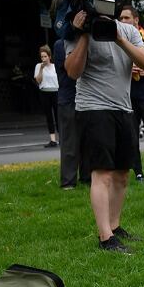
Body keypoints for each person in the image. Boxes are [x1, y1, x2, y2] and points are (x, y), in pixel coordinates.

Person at [64, 0, 144, 252]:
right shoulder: (77, 29)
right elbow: (72, 72)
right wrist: (86, 35)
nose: (113, 3)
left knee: (122, 173)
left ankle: (115, 226)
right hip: (93, 108)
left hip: (123, 108)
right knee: (101, 172)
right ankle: (105, 238)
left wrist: (118, 37)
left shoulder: (127, 29)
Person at [117, 5, 144, 182]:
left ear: (136, 20)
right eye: (121, 18)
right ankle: (138, 173)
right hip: (127, 96)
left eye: (127, 18)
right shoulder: (119, 38)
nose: (123, 21)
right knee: (131, 138)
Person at [52, 35, 82, 189]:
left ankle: (87, 176)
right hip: (69, 98)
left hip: (84, 98)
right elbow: (69, 71)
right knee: (70, 142)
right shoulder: (61, 44)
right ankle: (68, 181)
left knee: (88, 141)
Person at [34, 46, 59, 149]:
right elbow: (38, 80)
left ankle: (62, 137)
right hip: (44, 92)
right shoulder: (38, 66)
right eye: (41, 57)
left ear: (49, 56)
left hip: (56, 92)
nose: (43, 59)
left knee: (58, 115)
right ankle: (53, 140)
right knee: (49, 116)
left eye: (45, 56)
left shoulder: (55, 66)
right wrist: (41, 68)